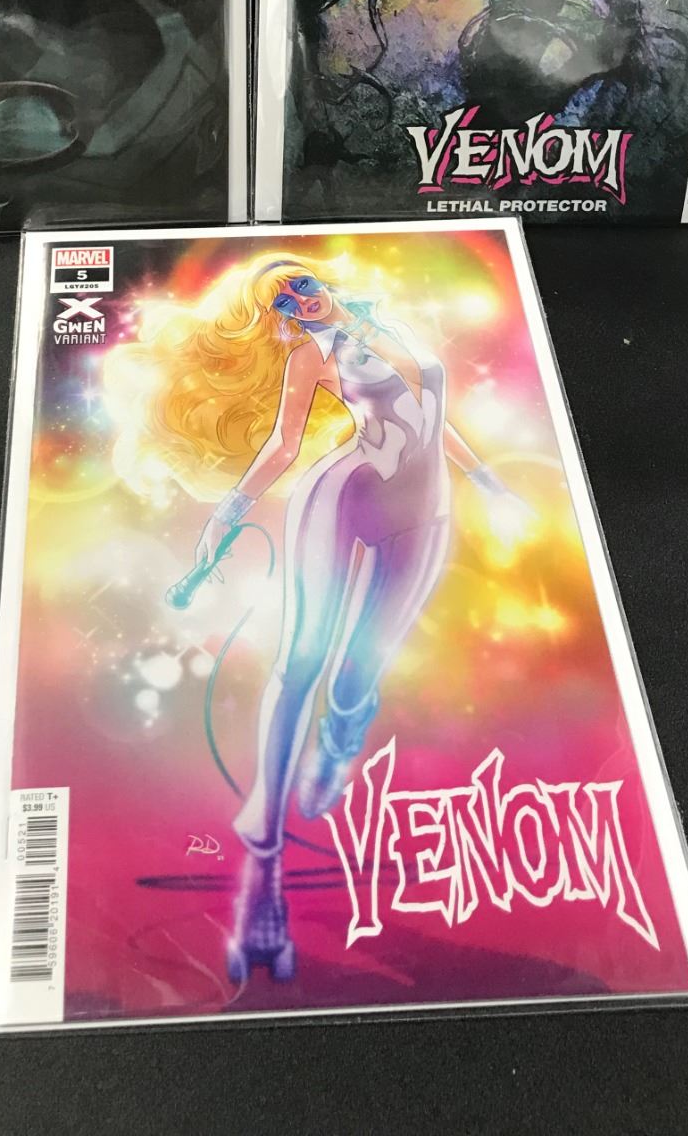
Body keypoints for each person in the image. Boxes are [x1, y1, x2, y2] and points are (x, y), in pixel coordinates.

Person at [110, 252, 530, 982]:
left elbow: (433, 419)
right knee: (302, 661)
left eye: (301, 284)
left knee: (360, 675)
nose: (300, 301)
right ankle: (263, 875)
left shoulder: (397, 323)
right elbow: (284, 445)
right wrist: (227, 515)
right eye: (283, 302)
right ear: (279, 322)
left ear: (320, 280)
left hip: (426, 513)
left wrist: (488, 481)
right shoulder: (312, 357)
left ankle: (340, 736)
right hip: (340, 500)